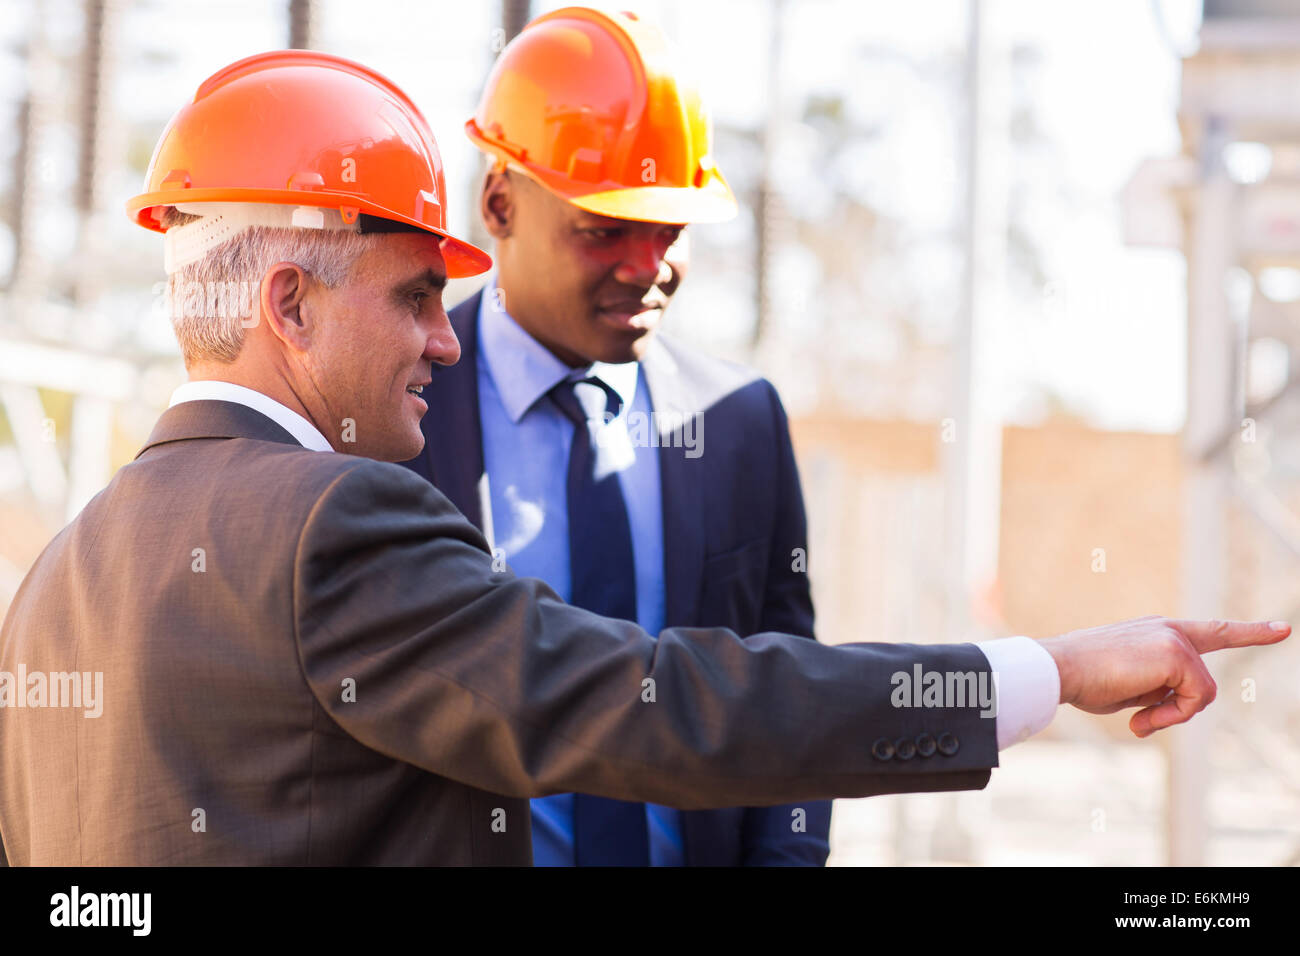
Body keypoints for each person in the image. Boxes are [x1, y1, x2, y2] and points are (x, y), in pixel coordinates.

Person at [0, 49, 1287, 866]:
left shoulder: (55, 580)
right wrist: (1045, 671)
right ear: (286, 304)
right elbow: (669, 698)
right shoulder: (334, 521)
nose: (438, 342)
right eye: (407, 298)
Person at [398, 6, 830, 867]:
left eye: (667, 230)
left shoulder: (740, 420)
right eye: (604, 231)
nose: (648, 266)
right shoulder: (393, 410)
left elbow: (787, 696)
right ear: (499, 205)